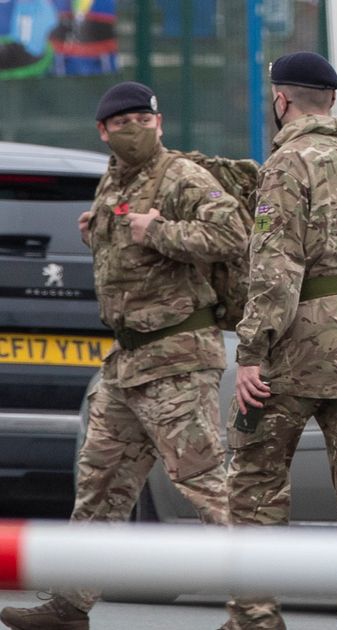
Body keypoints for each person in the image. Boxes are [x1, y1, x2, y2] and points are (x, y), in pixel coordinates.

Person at [0, 81, 247, 630]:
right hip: (127, 363)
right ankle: (70, 603)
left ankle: (256, 609)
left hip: (177, 358)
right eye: (122, 121)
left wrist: (160, 230)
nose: (133, 128)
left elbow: (232, 235)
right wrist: (98, 233)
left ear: (159, 124)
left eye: (143, 118)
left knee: (205, 485)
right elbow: (127, 256)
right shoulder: (113, 179)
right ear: (103, 131)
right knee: (99, 485)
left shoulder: (183, 177)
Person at [222, 51, 337, 630]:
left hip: (298, 349)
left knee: (255, 480)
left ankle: (255, 616)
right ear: (332, 100)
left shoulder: (287, 163)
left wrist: (252, 353)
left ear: (283, 100)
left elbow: (276, 264)